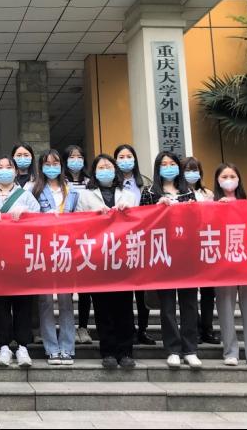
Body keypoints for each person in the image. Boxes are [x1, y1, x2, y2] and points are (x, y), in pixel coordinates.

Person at [0, 156, 41, 369]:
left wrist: (27, 213)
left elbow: (40, 220)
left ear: (16, 172)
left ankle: (22, 346)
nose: (4, 170)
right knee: (0, 305)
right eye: (0, 166)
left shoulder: (26, 195)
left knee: (23, 304)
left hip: (21, 257)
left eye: (8, 167)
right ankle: (4, 346)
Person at [77, 154, 137, 369]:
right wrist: (94, 216)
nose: (105, 170)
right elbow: (78, 222)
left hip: (123, 257)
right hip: (98, 258)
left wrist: (128, 213)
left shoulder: (129, 195)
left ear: (115, 170)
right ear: (94, 172)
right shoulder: (85, 196)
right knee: (103, 308)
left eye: (108, 167)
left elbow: (140, 222)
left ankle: (126, 351)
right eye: (100, 167)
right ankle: (108, 351)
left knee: (124, 308)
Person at [140, 151, 200, 369]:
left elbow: (197, 221)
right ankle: (173, 349)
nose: (168, 167)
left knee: (189, 304)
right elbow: (141, 222)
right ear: (157, 168)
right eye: (163, 164)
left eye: (172, 163)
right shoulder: (149, 192)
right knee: (167, 306)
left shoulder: (188, 192)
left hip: (186, 255)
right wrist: (157, 209)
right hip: (162, 254)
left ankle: (190, 349)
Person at [212, 163, 247, 369]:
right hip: (223, 263)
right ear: (217, 180)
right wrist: (215, 209)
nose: (228, 180)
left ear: (239, 179)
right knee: (225, 308)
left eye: (232, 176)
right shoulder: (212, 203)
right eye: (224, 176)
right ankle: (230, 352)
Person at [27, 150, 80, 365]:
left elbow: (81, 217)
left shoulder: (72, 190)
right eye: (47, 163)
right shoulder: (34, 189)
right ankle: (51, 349)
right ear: (41, 167)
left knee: (66, 301)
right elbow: (28, 217)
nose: (51, 167)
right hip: (44, 249)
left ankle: (67, 348)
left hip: (67, 249)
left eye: (55, 163)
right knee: (46, 301)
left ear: (61, 165)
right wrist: (43, 217)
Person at [114, 143, 154, 347]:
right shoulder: (112, 183)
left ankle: (143, 329)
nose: (125, 160)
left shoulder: (145, 183)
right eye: (121, 157)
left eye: (128, 156)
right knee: (125, 290)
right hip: (120, 241)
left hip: (142, 239)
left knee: (142, 291)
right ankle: (127, 329)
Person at [183, 156, 221, 346]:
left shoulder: (207, 193)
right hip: (187, 247)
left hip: (207, 243)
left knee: (208, 291)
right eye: (187, 170)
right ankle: (195, 327)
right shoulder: (179, 194)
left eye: (195, 170)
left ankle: (208, 328)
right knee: (190, 291)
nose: (192, 173)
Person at [63, 144, 93, 345]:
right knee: (67, 288)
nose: (76, 160)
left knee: (85, 288)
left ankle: (83, 327)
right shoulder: (61, 182)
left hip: (87, 238)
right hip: (66, 239)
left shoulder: (90, 183)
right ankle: (68, 328)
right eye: (72, 157)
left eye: (79, 156)